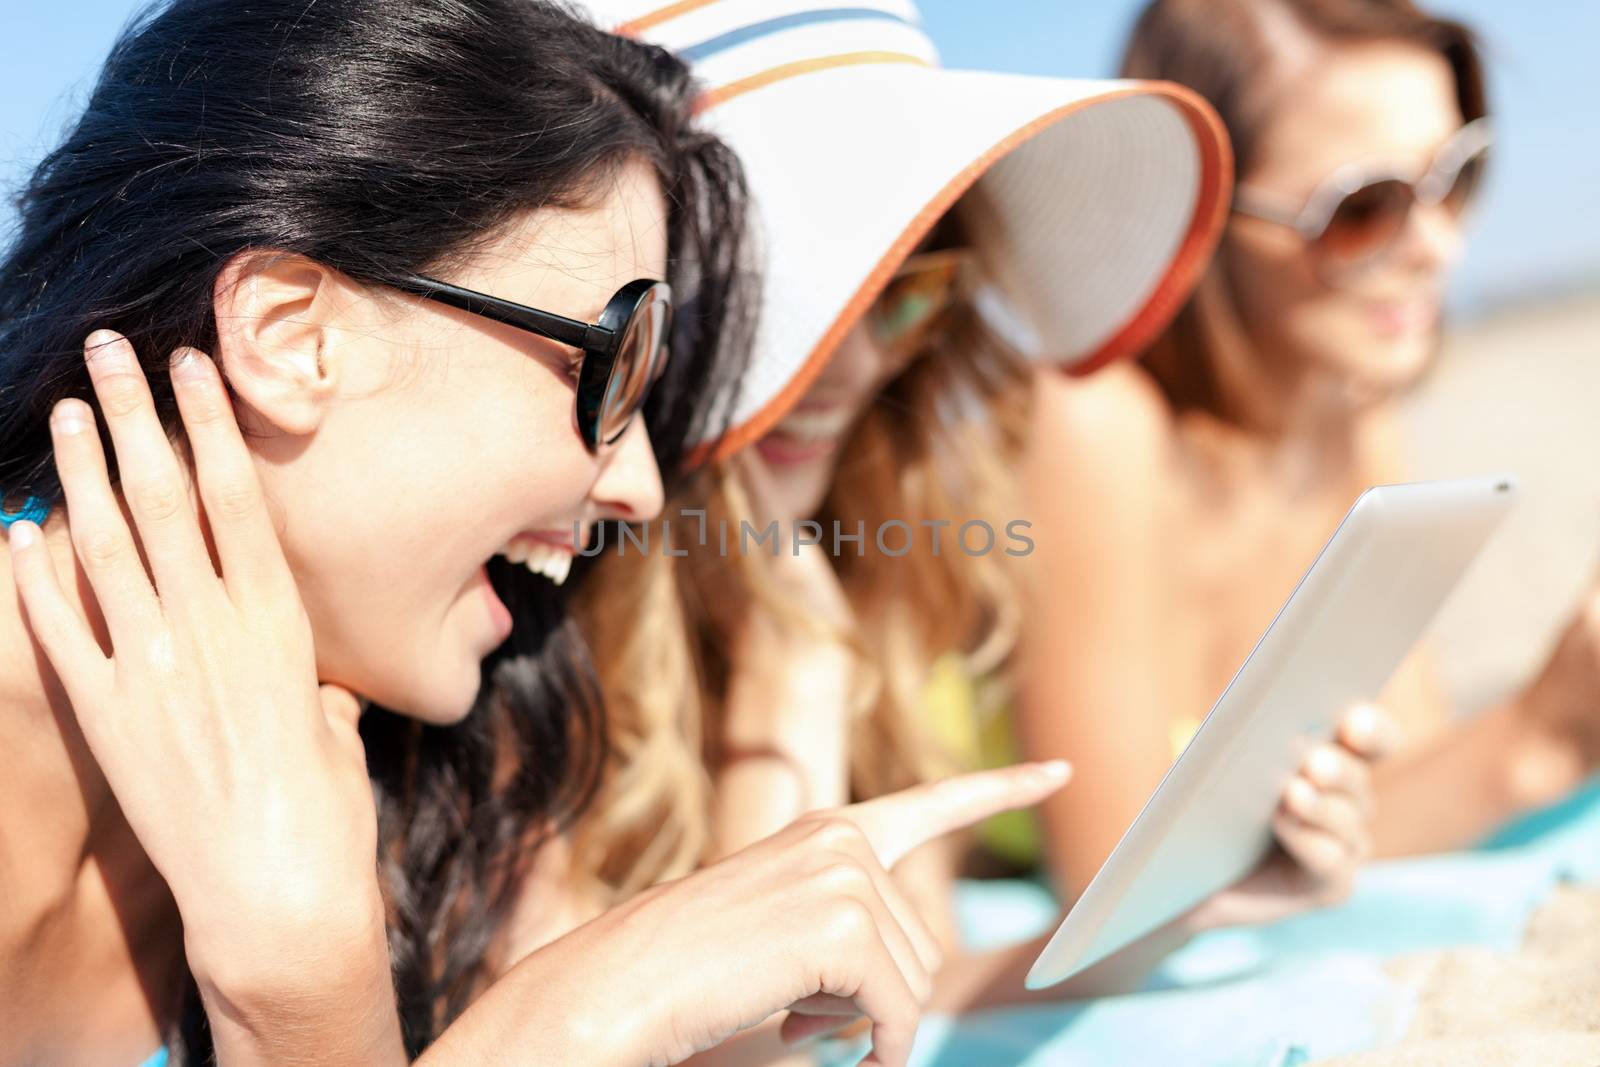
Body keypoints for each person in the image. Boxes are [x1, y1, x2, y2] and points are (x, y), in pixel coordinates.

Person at [0, 3, 1070, 1066]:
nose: (641, 487)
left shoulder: (430, 761)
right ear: (291, 336)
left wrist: (794, 661)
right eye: (612, 366)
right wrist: (501, 1012)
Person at [561, 1, 1388, 1043]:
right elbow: (763, 1036)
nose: (858, 366)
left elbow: (920, 972)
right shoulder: (541, 616)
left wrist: (1197, 905)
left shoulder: (869, 548)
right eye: (794, 301)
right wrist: (793, 663)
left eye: (906, 299)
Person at [1016, 0, 1600, 903]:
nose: (1440, 246)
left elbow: (1389, 787)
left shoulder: (1347, 412)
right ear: (1196, 219)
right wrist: (1541, 736)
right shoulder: (1094, 424)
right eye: (1365, 209)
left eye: (1459, 175)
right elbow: (1115, 893)